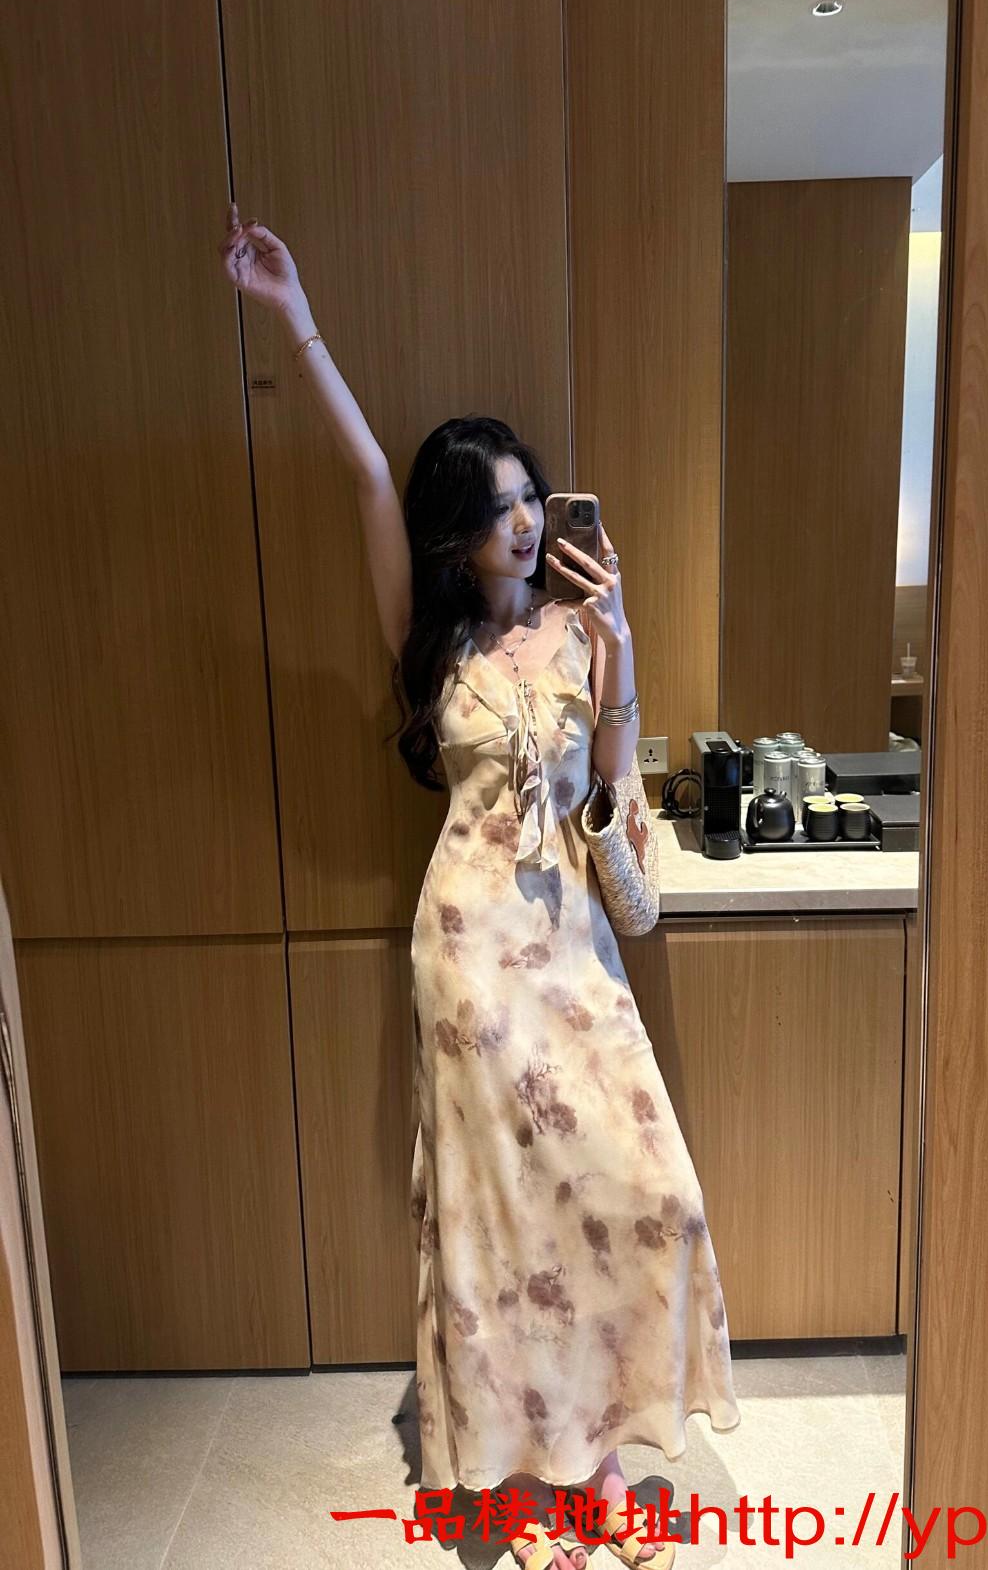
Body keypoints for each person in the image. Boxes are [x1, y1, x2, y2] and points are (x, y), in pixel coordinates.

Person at [219, 203, 740, 1570]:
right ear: (457, 532)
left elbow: (614, 781)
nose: (519, 521)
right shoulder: (430, 637)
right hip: (465, 955)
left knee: (638, 1190)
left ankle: (603, 1453)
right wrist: (294, 316)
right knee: (505, 1216)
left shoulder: (580, 629)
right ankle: (533, 1480)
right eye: (495, 506)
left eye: (529, 498)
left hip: (573, 957)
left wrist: (622, 647)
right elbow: (363, 477)